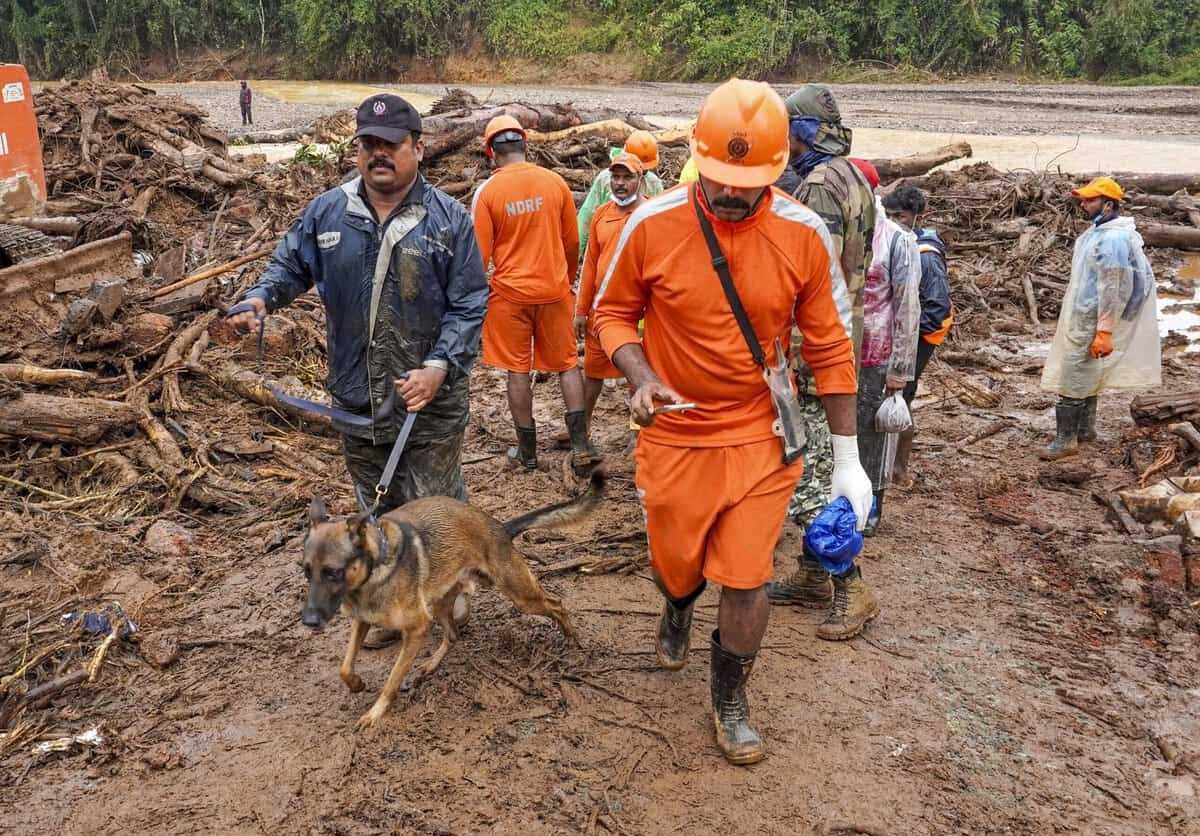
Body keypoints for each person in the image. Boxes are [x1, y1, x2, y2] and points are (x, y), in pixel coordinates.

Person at [593, 79, 872, 764]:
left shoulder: (802, 234)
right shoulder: (651, 223)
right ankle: (679, 603)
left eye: (746, 182)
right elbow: (609, 314)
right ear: (697, 159)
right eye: (718, 177)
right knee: (675, 564)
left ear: (776, 171)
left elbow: (832, 346)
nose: (730, 193)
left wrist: (848, 457)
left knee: (746, 574)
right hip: (675, 430)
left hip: (759, 432)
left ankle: (730, 695)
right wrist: (641, 376)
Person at [230, 93, 488, 514]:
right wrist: (261, 297)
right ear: (357, 150)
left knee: (435, 513)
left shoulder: (448, 221)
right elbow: (291, 265)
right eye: (369, 145)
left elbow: (470, 303)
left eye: (392, 144)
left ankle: (448, 579)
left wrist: (439, 366)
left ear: (418, 148)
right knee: (377, 515)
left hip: (429, 405)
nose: (379, 154)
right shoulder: (328, 212)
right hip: (356, 400)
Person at [767, 84, 880, 642]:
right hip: (843, 334)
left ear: (802, 131)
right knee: (805, 465)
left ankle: (849, 582)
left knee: (808, 474)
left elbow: (811, 275)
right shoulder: (856, 176)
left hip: (816, 352)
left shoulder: (816, 187)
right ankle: (813, 572)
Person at [471, 115, 599, 476]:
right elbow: (572, 242)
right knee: (566, 365)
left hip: (510, 296)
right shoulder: (555, 183)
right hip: (554, 291)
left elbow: (479, 258)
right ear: (524, 146)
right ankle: (580, 445)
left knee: (517, 369)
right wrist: (566, 279)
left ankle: (526, 452)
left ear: (492, 153)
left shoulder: (488, 192)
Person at [1040, 176, 1160, 460]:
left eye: (1090, 200)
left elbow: (1113, 286)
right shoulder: (1101, 232)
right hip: (1086, 315)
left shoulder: (1112, 238)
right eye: (1083, 199)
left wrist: (1105, 330)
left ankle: (1065, 440)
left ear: (1108, 205)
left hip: (1093, 318)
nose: (1083, 204)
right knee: (1087, 371)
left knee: (1072, 374)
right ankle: (1085, 430)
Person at [856, 185, 921, 535]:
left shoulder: (898, 240)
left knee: (874, 432)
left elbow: (909, 306)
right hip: (840, 349)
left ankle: (874, 504)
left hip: (879, 352)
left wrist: (900, 368)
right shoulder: (846, 229)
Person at [882, 186, 953, 489]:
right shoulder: (903, 242)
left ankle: (899, 470)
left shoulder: (925, 256)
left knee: (902, 395)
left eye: (900, 216)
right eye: (889, 216)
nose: (894, 221)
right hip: (916, 329)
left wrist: (908, 340)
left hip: (924, 333)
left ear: (915, 217)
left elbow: (937, 307)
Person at [575, 153, 647, 425]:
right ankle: (581, 428)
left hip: (638, 312)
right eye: (615, 177)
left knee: (637, 374)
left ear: (641, 180)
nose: (620, 183)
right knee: (593, 372)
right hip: (602, 310)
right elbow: (590, 265)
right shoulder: (601, 215)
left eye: (627, 177)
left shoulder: (649, 215)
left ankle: (638, 431)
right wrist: (581, 310)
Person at [576, 131, 665, 257]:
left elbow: (660, 223)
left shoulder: (653, 184)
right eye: (616, 177)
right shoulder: (605, 180)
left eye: (644, 172)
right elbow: (586, 216)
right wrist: (577, 253)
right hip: (606, 245)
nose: (620, 182)